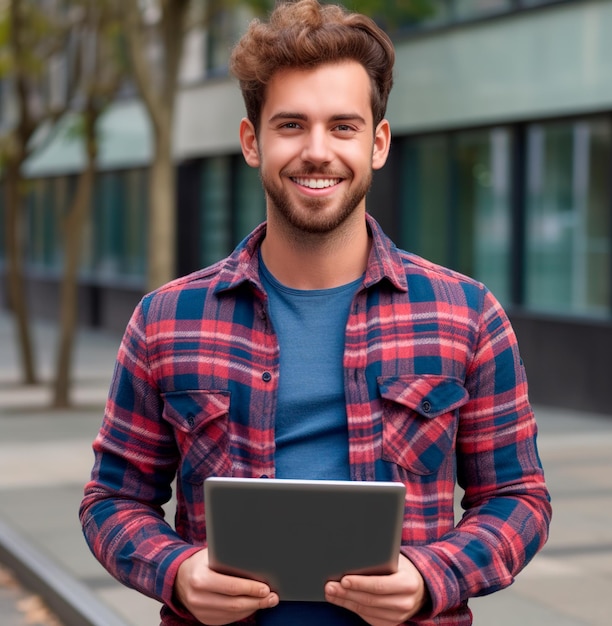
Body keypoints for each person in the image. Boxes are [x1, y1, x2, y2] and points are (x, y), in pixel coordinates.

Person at [79, 1, 551, 625]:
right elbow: (112, 500)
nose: (317, 151)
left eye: (344, 126)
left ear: (378, 143)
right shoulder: (167, 320)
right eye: (292, 125)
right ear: (253, 142)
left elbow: (519, 499)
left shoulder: (466, 314)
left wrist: (429, 576)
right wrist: (178, 573)